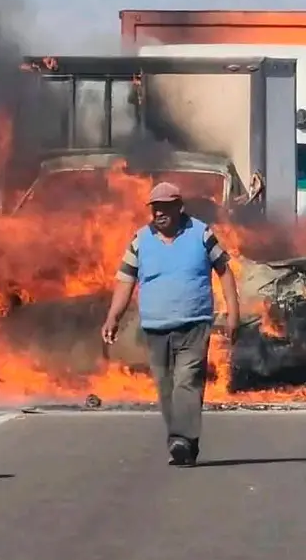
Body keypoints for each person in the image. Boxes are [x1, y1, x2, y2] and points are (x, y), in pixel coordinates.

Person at [101, 181, 240, 467]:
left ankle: (183, 439)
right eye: (155, 208)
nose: (158, 214)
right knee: (166, 388)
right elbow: (125, 281)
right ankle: (183, 445)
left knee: (187, 382)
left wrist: (233, 312)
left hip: (195, 324)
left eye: (165, 207)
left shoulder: (201, 233)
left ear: (179, 207)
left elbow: (224, 272)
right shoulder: (140, 241)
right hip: (155, 327)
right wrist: (113, 317)